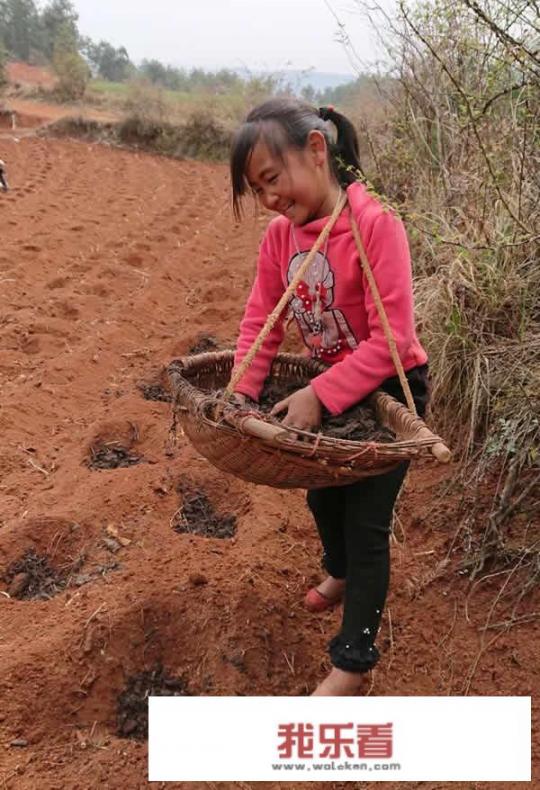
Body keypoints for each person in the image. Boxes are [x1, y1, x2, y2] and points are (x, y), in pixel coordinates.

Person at [229, 97, 429, 696]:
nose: (269, 198)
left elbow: (394, 339)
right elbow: (259, 322)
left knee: (367, 523)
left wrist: (321, 393)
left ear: (317, 151)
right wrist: (239, 393)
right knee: (322, 499)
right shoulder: (279, 240)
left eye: (272, 179)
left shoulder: (375, 225)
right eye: (256, 189)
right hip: (329, 390)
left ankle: (353, 661)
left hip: (390, 392)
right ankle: (338, 572)